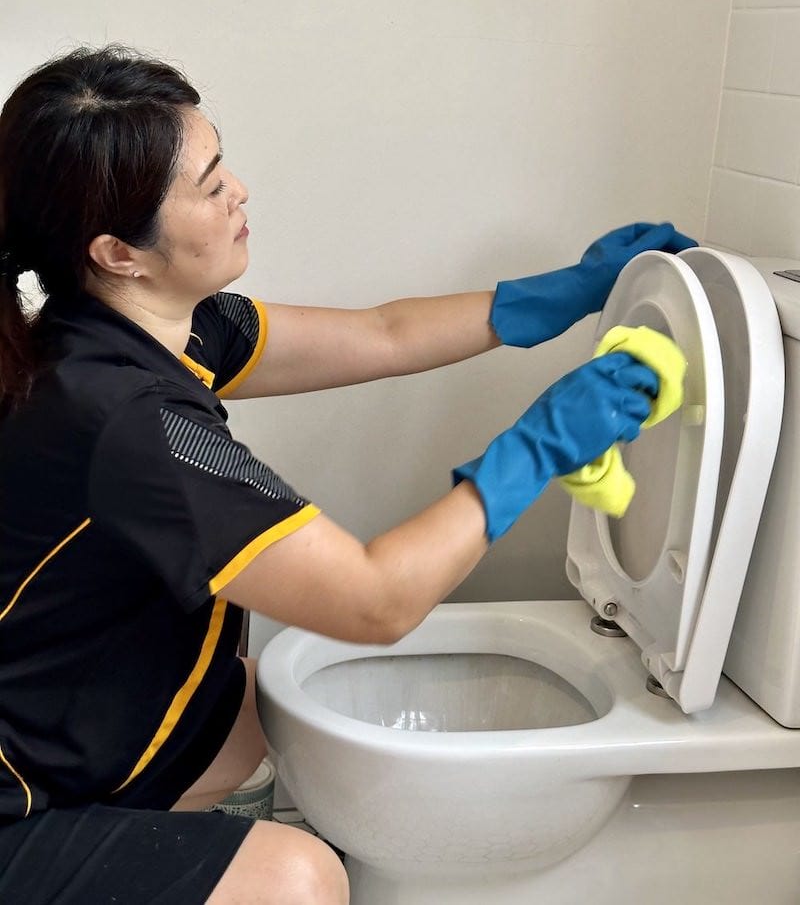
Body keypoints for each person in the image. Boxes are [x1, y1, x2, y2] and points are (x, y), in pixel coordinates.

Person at [0, 46, 695, 904]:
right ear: (118, 251)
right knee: (301, 879)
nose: (241, 193)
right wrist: (539, 445)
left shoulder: (154, 325)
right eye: (211, 187)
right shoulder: (126, 420)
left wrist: (558, 294)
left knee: (272, 716)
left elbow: (383, 334)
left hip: (53, 714)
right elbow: (375, 601)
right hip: (14, 810)